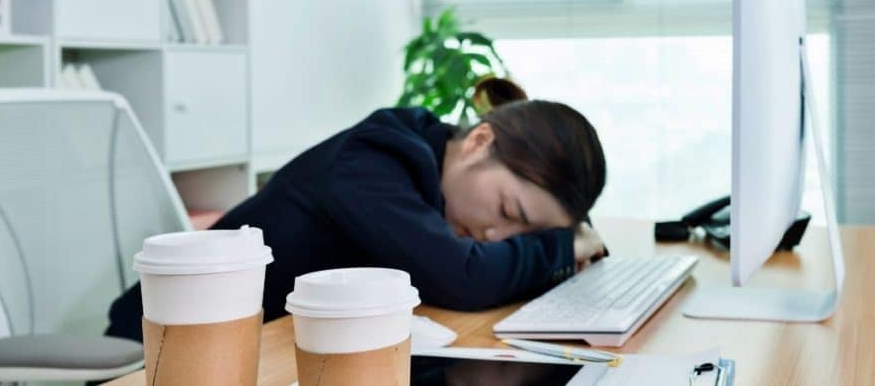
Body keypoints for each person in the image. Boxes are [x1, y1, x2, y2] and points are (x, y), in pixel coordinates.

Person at [105, 94, 608, 343]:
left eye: (528, 232)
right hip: (162, 351)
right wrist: (561, 248)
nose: (499, 235)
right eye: (506, 210)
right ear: (479, 142)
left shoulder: (425, 168)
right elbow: (464, 276)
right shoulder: (373, 160)